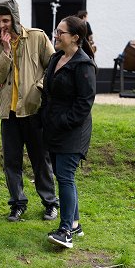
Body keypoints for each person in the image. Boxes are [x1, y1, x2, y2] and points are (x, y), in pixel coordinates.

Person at [0, 0, 59, 223]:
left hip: (34, 110)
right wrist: (6, 52)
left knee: (41, 160)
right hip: (9, 114)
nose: (2, 26)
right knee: (12, 163)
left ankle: (50, 203)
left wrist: (38, 88)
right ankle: (17, 204)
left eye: (6, 20)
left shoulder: (37, 37)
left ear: (15, 19)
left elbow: (54, 67)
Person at [42, 16, 96, 249]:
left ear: (75, 37)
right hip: (54, 127)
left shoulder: (83, 65)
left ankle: (65, 231)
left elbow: (85, 103)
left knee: (65, 176)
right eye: (56, 31)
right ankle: (74, 223)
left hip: (73, 130)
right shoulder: (56, 58)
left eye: (61, 32)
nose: (56, 35)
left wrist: (64, 121)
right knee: (62, 175)